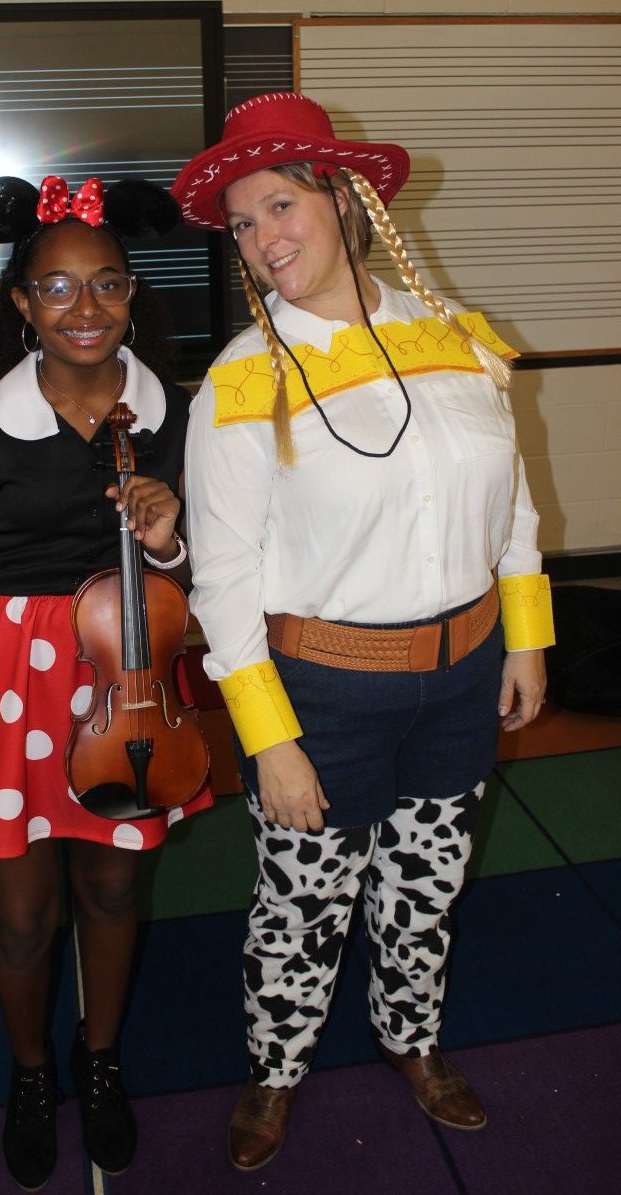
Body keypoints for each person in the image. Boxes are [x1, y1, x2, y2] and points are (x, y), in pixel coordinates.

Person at [171, 91, 554, 1171]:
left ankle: (411, 1040)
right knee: (298, 909)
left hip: (461, 672)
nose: (261, 238)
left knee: (425, 886)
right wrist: (269, 738)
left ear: (338, 201)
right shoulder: (240, 386)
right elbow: (225, 578)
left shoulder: (454, 342)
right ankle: (275, 1067)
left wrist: (523, 637)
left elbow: (511, 500)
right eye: (242, 223)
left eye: (279, 205)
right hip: (322, 693)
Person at [0, 173, 212, 1190]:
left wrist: (167, 544)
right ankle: (31, 1074)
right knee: (24, 917)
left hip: (127, 687)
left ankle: (101, 1056)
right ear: (23, 305)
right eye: (59, 289)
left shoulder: (177, 417)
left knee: (115, 889)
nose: (87, 308)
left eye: (107, 284)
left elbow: (203, 594)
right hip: (4, 695)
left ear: (133, 293)